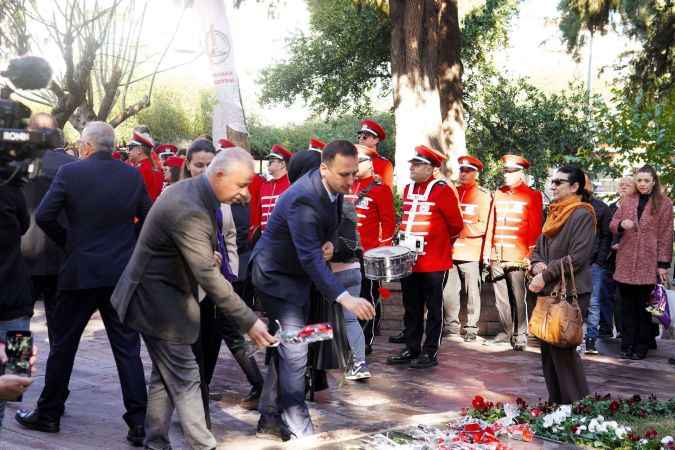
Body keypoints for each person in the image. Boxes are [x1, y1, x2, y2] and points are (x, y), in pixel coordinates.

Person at [111, 147, 276, 449]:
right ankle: (203, 445)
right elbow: (208, 275)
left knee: (165, 377)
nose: (245, 194)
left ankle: (155, 442)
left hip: (160, 300)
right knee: (187, 378)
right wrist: (250, 321)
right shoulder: (190, 206)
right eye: (241, 185)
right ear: (220, 174)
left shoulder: (194, 195)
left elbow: (190, 254)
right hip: (157, 304)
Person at [15, 122, 149, 447]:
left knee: (53, 341)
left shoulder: (47, 171)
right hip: (114, 272)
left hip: (66, 268)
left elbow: (42, 216)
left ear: (86, 145)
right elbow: (148, 217)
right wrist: (126, 248)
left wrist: (70, 243)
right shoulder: (131, 175)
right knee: (127, 350)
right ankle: (139, 423)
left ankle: (39, 404)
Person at [251, 140, 375, 440]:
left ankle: (269, 418)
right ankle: (302, 431)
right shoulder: (303, 198)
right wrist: (346, 298)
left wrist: (330, 242)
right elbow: (309, 257)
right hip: (276, 278)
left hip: (299, 279)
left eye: (353, 174)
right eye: (344, 174)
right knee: (295, 351)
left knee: (294, 342)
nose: (350, 181)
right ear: (324, 168)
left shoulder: (333, 189)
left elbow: (328, 227)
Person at [179, 139, 265, 414]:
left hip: (220, 284)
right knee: (189, 351)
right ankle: (194, 410)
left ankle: (199, 408)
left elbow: (233, 236)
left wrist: (229, 273)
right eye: (198, 165)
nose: (203, 170)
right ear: (188, 165)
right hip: (187, 288)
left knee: (217, 341)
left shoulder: (227, 198)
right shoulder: (177, 196)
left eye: (208, 164)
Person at [387, 145, 463, 369]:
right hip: (409, 260)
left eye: (417, 164)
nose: (411, 167)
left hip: (433, 261)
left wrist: (439, 246)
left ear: (431, 168)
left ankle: (430, 351)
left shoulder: (442, 190)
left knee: (433, 308)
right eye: (412, 163)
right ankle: (412, 348)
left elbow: (456, 226)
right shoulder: (409, 189)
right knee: (411, 306)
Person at [528, 165, 595, 404]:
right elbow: (538, 248)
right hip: (549, 291)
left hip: (572, 291)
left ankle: (577, 406)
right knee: (547, 351)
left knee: (563, 350)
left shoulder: (582, 214)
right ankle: (556, 403)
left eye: (559, 182)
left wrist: (545, 275)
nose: (553, 186)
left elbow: (578, 257)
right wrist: (536, 264)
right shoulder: (555, 212)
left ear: (575, 187)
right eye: (552, 181)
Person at [20, 113, 76, 350]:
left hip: (20, 258)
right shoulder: (72, 167)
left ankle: (17, 379)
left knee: (18, 324)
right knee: (59, 328)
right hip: (60, 256)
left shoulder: (15, 166)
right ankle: (56, 384)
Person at [610, 166, 673, 360]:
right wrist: (621, 225)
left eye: (647, 180)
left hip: (648, 261)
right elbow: (613, 223)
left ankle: (641, 346)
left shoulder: (664, 203)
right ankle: (627, 344)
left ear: (654, 181)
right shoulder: (628, 200)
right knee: (626, 307)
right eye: (639, 180)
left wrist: (662, 264)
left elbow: (666, 234)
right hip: (626, 260)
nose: (643, 184)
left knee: (645, 308)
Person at [487, 154, 543, 351]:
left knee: (518, 297)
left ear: (521, 173)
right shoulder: (498, 193)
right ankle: (507, 331)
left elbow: (535, 229)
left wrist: (531, 255)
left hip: (518, 254)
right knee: (500, 298)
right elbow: (491, 224)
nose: (507, 176)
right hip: (497, 253)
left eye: (511, 172)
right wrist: (488, 251)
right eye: (505, 171)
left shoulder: (532, 195)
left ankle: (520, 333)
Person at [349, 145, 396, 354]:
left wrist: (381, 253)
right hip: (346, 253)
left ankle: (365, 340)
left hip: (368, 253)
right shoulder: (347, 186)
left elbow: (387, 224)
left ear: (370, 163)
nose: (354, 165)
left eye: (359, 161)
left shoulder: (380, 189)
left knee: (366, 297)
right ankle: (349, 337)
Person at [443, 155, 492, 341]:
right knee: (449, 292)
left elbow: (483, 224)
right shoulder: (453, 192)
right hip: (452, 251)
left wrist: (461, 230)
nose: (463, 174)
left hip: (471, 251)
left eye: (468, 171)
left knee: (472, 292)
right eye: (461, 170)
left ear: (476, 173)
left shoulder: (482, 195)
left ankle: (472, 327)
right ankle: (451, 326)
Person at [0, 171, 32, 429]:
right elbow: (24, 226)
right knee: (16, 379)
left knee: (15, 378)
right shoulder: (12, 191)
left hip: (16, 301)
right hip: (16, 299)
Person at [582, 174, 612, 354]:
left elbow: (606, 237)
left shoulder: (601, 208)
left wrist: (599, 261)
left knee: (593, 303)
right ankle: (573, 337)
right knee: (573, 301)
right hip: (572, 262)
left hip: (593, 264)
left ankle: (591, 340)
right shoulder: (569, 206)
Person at [604, 177, 637, 338]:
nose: (623, 187)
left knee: (626, 297)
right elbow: (606, 232)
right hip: (611, 259)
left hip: (632, 259)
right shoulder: (611, 208)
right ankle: (616, 331)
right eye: (621, 185)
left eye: (627, 185)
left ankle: (629, 332)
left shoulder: (638, 206)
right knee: (611, 296)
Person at [249, 144, 292, 238]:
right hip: (265, 240)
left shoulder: (291, 185)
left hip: (284, 240)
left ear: (282, 164)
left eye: (272, 161)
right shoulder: (265, 186)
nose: (268, 164)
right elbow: (259, 214)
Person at [357, 119, 394, 190]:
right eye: (359, 136)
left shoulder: (385, 164)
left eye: (365, 136)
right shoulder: (352, 160)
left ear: (376, 140)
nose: (361, 139)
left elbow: (388, 194)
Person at [127, 130, 164, 201]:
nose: (129, 151)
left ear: (139, 150)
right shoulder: (156, 168)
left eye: (131, 148)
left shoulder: (139, 170)